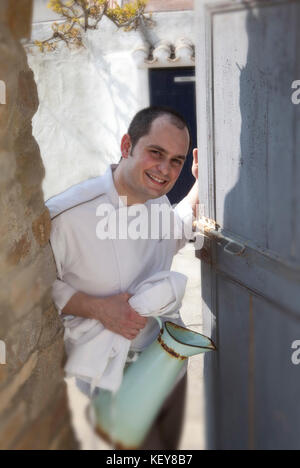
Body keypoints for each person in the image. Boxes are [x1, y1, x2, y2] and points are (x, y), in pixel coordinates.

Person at [46, 106, 199, 449]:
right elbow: (32, 285)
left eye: (177, 160)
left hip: (166, 361)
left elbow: (173, 233)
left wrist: (200, 186)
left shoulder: (156, 201)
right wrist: (97, 308)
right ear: (127, 144)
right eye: (156, 153)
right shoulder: (66, 214)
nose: (166, 170)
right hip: (108, 377)